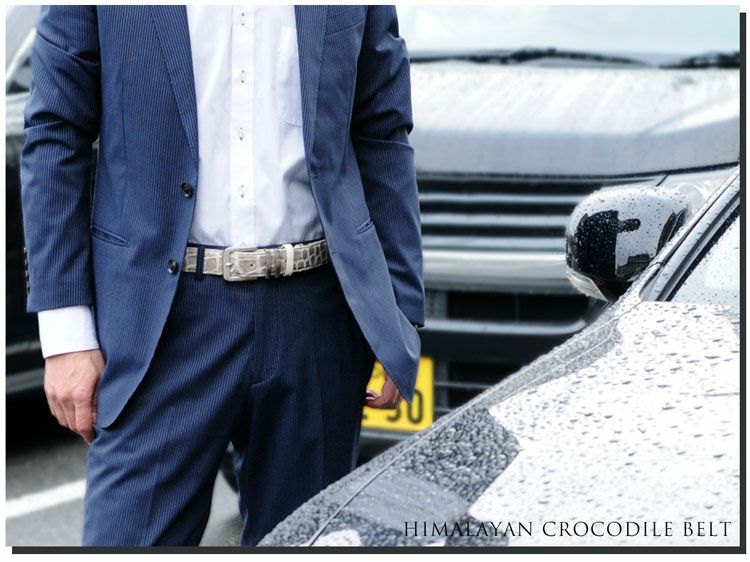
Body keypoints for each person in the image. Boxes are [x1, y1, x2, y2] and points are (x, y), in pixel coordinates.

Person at [20, 5, 424, 546]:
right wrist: (67, 334)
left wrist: (397, 314)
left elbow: (382, 128)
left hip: (315, 321)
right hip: (159, 324)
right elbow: (56, 131)